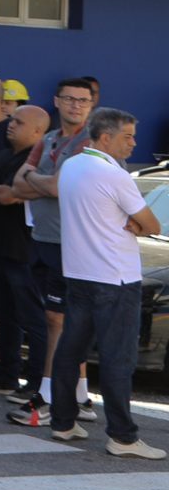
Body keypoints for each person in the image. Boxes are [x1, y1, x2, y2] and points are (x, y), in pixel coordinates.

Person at [51, 106, 166, 459]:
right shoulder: (114, 174)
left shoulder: (71, 165)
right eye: (127, 136)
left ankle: (63, 422)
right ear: (105, 138)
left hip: (80, 273)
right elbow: (153, 224)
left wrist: (135, 223)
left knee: (70, 351)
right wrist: (136, 224)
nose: (133, 143)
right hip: (115, 278)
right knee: (118, 359)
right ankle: (123, 436)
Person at [11, 77, 99, 424]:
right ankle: (79, 396)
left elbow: (59, 187)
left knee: (57, 320)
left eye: (83, 100)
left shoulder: (89, 142)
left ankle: (48, 397)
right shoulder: (49, 139)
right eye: (70, 99)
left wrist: (38, 181)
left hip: (73, 243)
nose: (76, 105)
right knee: (64, 319)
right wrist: (41, 183)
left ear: (91, 105)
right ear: (56, 102)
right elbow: (18, 185)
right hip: (46, 239)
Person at [0, 103, 50, 399]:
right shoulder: (2, 155)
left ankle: (37, 380)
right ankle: (7, 373)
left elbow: (6, 196)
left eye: (18, 122)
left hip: (23, 251)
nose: (10, 125)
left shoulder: (37, 162)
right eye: (11, 120)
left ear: (38, 131)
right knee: (3, 315)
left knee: (32, 317)